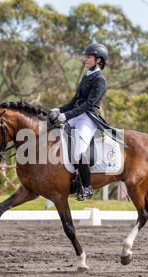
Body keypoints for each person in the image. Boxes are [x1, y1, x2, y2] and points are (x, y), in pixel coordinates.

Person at [48, 43, 110, 201]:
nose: (85, 59)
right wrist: (59, 110)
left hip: (88, 119)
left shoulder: (100, 80)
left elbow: (88, 105)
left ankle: (87, 187)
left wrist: (66, 116)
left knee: (78, 153)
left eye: (88, 57)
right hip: (75, 116)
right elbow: (74, 101)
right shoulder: (86, 76)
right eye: (86, 57)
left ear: (98, 60)